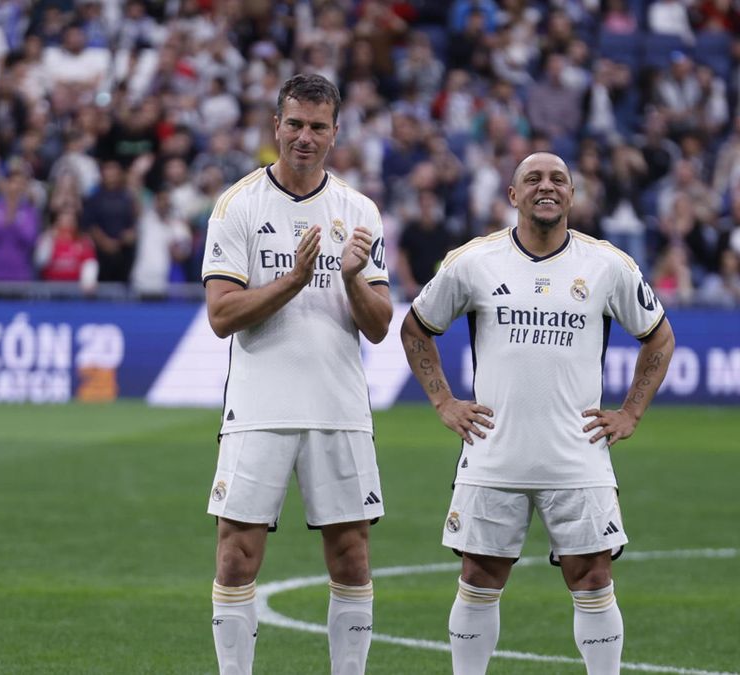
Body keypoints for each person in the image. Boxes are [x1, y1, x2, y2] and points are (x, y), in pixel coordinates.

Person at [400, 152, 676, 675]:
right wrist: (443, 400)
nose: (545, 187)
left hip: (577, 454)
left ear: (572, 195)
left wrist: (631, 413)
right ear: (513, 195)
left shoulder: (608, 265)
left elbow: (659, 336)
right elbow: (417, 328)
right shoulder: (474, 261)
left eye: (557, 180)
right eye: (533, 179)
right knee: (479, 577)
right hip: (493, 452)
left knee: (593, 578)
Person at [201, 74, 393, 675]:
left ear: (335, 133)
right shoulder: (238, 205)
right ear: (275, 126)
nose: (304, 137)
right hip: (259, 406)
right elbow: (221, 316)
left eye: (317, 126)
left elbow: (381, 325)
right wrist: (295, 278)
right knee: (236, 556)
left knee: (351, 556)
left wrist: (352, 275)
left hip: (338, 406)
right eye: (294, 124)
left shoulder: (359, 211)